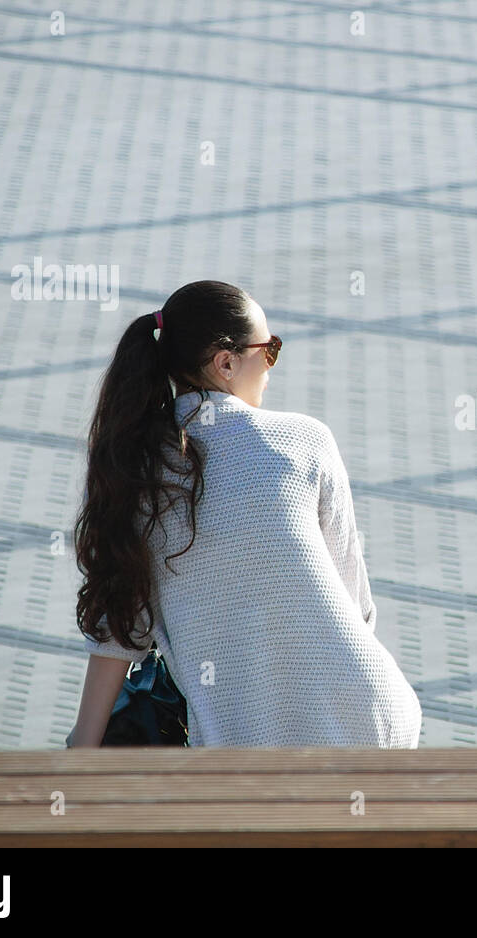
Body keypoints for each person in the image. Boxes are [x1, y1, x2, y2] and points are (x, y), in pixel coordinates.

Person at [66, 280, 422, 748]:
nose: (271, 366)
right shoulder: (307, 439)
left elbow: (119, 629)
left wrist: (82, 745)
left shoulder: (136, 468)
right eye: (269, 349)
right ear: (226, 362)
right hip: (372, 720)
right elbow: (357, 610)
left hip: (247, 749)